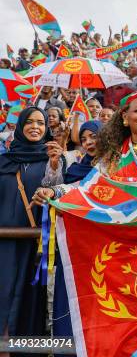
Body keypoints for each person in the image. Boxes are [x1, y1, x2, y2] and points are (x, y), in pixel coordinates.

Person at [32, 120, 102, 338]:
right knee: (70, 299)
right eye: (83, 139)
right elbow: (71, 189)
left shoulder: (116, 166)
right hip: (73, 246)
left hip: (102, 247)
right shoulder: (75, 169)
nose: (88, 142)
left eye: (93, 136)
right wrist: (52, 186)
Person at [0, 107, 52, 340]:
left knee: (30, 300)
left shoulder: (52, 162)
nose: (35, 127)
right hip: (4, 245)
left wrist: (56, 166)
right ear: (20, 127)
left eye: (41, 123)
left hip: (37, 246)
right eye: (29, 122)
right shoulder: (3, 162)